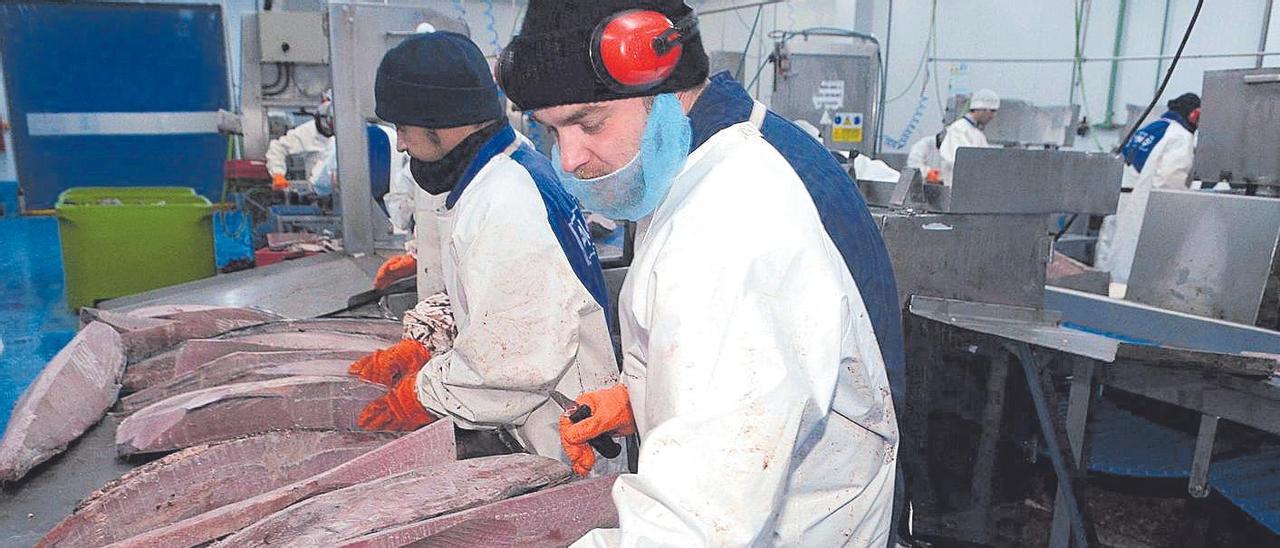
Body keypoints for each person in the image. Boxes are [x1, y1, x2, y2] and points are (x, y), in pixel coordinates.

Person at [499, 0, 904, 544]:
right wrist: (648, 396)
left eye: (588, 123)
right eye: (552, 131)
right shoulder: (710, 158)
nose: (568, 159)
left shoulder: (730, 219)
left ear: (665, 80)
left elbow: (690, 527)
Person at [349, 31, 623, 469]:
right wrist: (433, 338)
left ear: (436, 120)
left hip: (560, 439)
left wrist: (421, 394)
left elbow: (513, 363)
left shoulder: (504, 202)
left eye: (402, 128)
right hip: (540, 420)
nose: (399, 144)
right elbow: (500, 302)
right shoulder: (506, 167)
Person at [1096, 93, 1200, 286]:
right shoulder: (1180, 136)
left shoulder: (1151, 128)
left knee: (1110, 256)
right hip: (1140, 206)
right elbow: (1169, 184)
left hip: (1118, 198)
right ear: (1194, 115)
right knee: (1130, 262)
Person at [265, 94, 334, 192]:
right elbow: (278, 147)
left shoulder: (347, 135)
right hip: (317, 193)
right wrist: (278, 174)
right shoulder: (309, 131)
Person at [938, 88, 1000, 185]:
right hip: (958, 189)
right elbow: (960, 162)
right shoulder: (958, 129)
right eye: (992, 111)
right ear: (981, 110)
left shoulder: (977, 134)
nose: (993, 116)